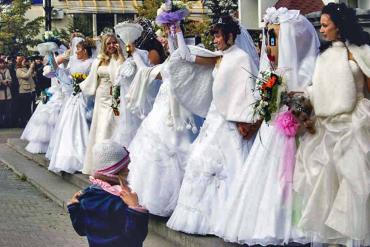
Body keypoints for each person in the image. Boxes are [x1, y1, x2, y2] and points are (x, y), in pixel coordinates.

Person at [212, 8, 320, 245]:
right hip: (273, 128)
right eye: (269, 38)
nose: (270, 46)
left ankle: (296, 222)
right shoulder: (272, 70)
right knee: (268, 179)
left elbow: (306, 102)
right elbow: (263, 97)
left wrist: (289, 101)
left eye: (274, 38)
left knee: (293, 177)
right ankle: (270, 223)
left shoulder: (305, 68)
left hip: (295, 131)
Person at [167, 16, 259, 235]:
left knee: (228, 167)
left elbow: (246, 91)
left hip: (230, 121)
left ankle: (227, 220)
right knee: (200, 162)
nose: (215, 40)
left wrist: (242, 118)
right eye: (214, 36)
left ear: (230, 35)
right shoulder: (219, 57)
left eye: (218, 35)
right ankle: (201, 218)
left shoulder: (242, 58)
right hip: (214, 119)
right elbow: (186, 56)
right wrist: (177, 31)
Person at [293, 3, 370, 246]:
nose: (322, 30)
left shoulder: (360, 51)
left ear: (339, 25)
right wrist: (298, 98)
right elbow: (319, 91)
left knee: (356, 183)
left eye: (325, 25)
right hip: (328, 127)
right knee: (328, 187)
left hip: (356, 123)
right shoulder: (324, 57)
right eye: (321, 26)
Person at [67, 140, 149, 247]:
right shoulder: (122, 199)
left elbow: (81, 230)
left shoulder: (86, 196)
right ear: (116, 171)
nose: (128, 170)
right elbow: (135, 236)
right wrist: (135, 208)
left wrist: (74, 208)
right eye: (125, 167)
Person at [79, 34, 124, 175]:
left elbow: (120, 76)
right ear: (104, 45)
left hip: (115, 97)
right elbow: (93, 78)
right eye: (109, 43)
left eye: (114, 43)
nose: (111, 45)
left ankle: (113, 162)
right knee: (99, 127)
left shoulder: (120, 59)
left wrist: (120, 56)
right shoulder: (99, 60)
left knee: (110, 125)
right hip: (100, 97)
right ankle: (98, 163)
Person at [48, 39, 94, 174]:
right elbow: (61, 73)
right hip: (73, 97)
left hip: (85, 97)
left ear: (85, 50)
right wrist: (50, 56)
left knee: (82, 125)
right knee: (69, 126)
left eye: (78, 49)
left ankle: (83, 159)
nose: (76, 51)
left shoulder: (92, 63)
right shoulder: (73, 61)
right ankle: (68, 157)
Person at [16, 55, 36, 127]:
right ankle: (24, 123)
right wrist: (31, 67)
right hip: (24, 91)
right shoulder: (18, 70)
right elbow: (26, 76)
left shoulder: (27, 68)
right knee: (25, 108)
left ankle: (29, 122)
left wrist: (32, 68)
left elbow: (32, 75)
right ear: (20, 62)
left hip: (31, 90)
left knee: (30, 107)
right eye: (24, 61)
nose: (25, 62)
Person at [0, 58, 12, 128]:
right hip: (0, 92)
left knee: (7, 109)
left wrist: (7, 81)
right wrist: (2, 81)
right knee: (1, 109)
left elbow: (10, 79)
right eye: (0, 63)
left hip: (7, 91)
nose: (2, 64)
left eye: (3, 63)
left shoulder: (7, 70)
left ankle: (7, 123)